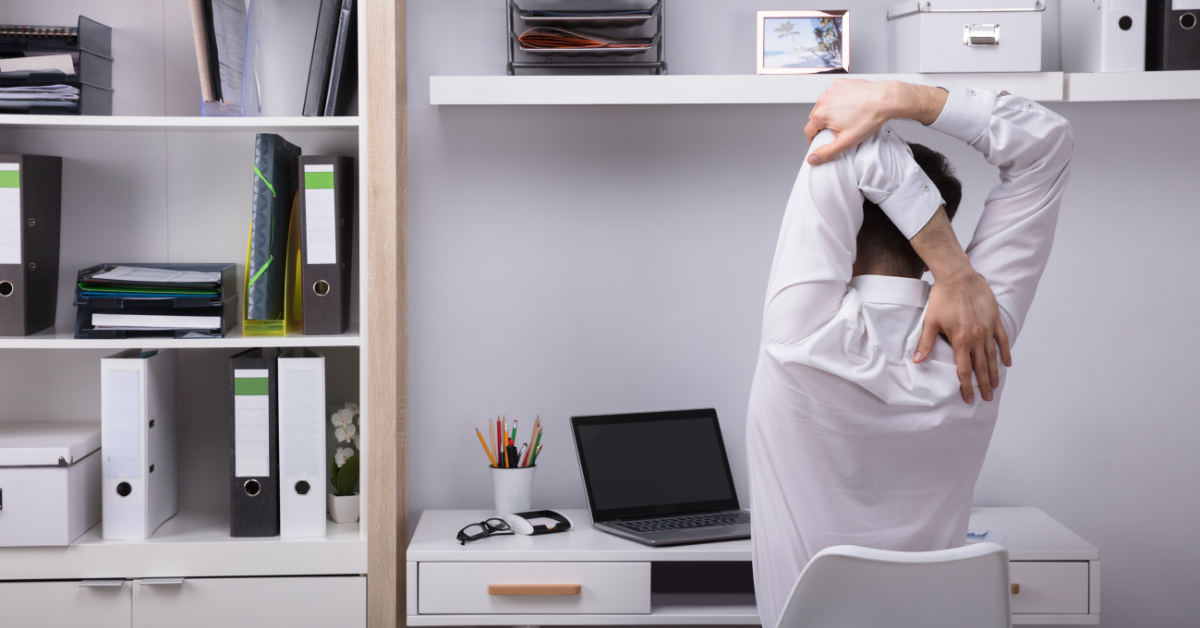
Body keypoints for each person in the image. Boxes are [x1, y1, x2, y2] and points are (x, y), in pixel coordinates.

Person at [745, 80, 1073, 628]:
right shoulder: (982, 340)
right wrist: (899, 98)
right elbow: (1047, 144)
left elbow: (846, 146)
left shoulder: (800, 335)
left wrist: (952, 267)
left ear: (846, 226)